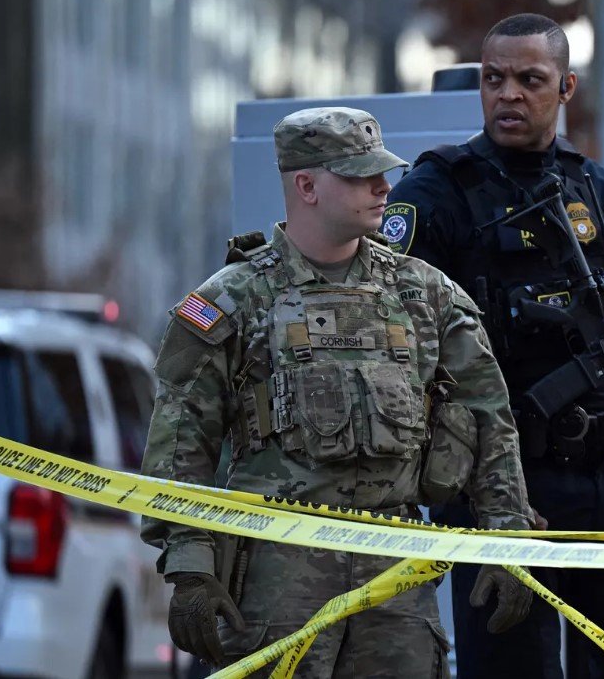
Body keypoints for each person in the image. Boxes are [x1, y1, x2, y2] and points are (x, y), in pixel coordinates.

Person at [140, 106, 534, 677]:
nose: (382, 187)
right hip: (277, 573)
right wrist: (191, 563)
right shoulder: (234, 299)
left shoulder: (426, 295)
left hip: (395, 568)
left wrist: (507, 536)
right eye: (358, 175)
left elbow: (489, 415)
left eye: (382, 172)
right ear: (306, 185)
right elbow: (182, 440)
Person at [382, 13, 604, 679]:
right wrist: (483, 485)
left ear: (566, 88)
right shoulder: (436, 192)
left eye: (530, 79)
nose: (509, 94)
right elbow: (400, 355)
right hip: (503, 490)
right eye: (494, 79)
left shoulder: (599, 191)